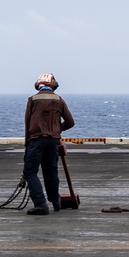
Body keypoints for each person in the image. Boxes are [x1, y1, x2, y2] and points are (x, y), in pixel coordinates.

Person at [22, 72, 75, 215]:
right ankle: (55, 201)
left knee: (30, 172)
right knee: (51, 171)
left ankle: (40, 203)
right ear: (53, 85)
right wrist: (57, 131)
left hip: (35, 140)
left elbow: (27, 124)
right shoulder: (59, 100)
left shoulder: (32, 100)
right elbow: (70, 122)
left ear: (38, 85)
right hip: (53, 141)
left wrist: (27, 144)